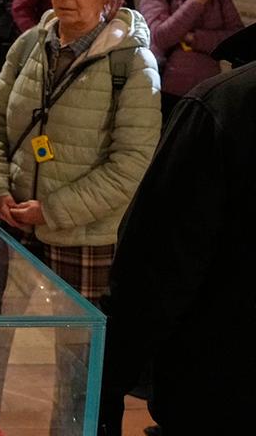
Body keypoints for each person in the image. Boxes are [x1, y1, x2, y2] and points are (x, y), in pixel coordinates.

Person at [0, 0, 160, 302]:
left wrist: (52, 211)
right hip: (13, 219)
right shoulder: (29, 45)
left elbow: (132, 162)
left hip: (82, 237)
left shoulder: (132, 63)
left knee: (77, 351)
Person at [99, 62, 256, 435]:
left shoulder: (226, 103)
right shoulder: (224, 105)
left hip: (222, 396)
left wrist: (110, 380)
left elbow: (153, 270)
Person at [139, 0, 244, 119]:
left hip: (205, 91)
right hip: (165, 87)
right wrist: (195, 4)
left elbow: (236, 37)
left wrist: (193, 38)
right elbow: (159, 36)